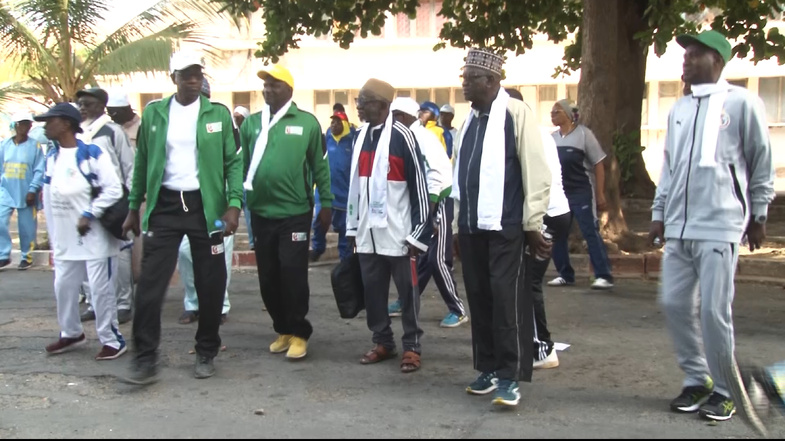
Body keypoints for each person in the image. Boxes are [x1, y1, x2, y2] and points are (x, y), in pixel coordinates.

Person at [649, 30, 775, 422]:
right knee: (673, 303)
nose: (685, 61)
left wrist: (759, 214)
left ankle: (726, 390)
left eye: (696, 55)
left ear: (718, 62)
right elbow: (669, 167)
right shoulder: (680, 108)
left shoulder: (742, 104)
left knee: (713, 313)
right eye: (685, 55)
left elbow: (760, 161)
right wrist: (658, 213)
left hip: (721, 225)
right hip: (680, 227)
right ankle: (697, 378)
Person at [120, 50, 243, 384]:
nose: (193, 80)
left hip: (207, 209)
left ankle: (206, 351)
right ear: (172, 77)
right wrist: (134, 208)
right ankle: (145, 358)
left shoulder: (218, 114)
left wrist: (233, 204)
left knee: (211, 284)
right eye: (186, 74)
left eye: (197, 74)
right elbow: (143, 163)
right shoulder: (156, 113)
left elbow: (232, 163)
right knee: (149, 285)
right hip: (166, 208)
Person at [454, 48, 551, 407]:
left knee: (506, 299)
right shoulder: (469, 121)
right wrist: (455, 226)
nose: (464, 84)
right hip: (471, 226)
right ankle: (488, 368)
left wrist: (532, 222)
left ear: (492, 81)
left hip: (505, 224)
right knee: (478, 297)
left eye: (470, 78)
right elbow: (459, 175)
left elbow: (536, 170)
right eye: (463, 77)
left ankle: (510, 376)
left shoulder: (515, 113)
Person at [241, 64, 333, 361]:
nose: (268, 89)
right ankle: (283, 329)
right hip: (260, 213)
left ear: (289, 90)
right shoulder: (251, 124)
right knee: (268, 277)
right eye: (265, 85)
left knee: (292, 273)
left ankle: (300, 333)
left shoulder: (307, 123)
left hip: (295, 212)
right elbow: (240, 167)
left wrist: (327, 203)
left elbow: (320, 166)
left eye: (275, 85)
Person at [346, 79, 432, 374]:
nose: (358, 106)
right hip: (368, 233)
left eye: (364, 101)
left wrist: (419, 232)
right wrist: (353, 228)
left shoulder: (402, 136)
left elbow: (419, 185)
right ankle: (383, 341)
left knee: (407, 294)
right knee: (373, 292)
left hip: (399, 233)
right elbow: (355, 187)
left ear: (382, 105)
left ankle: (412, 347)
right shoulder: (360, 136)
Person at [39, 102, 127, 360]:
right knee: (63, 287)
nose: (45, 125)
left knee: (101, 290)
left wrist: (90, 212)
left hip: (95, 238)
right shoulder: (52, 157)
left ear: (66, 124)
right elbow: (48, 197)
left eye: (50, 120)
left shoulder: (92, 153)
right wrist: (54, 237)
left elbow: (114, 189)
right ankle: (71, 333)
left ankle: (112, 339)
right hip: (66, 241)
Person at [387, 97, 467, 328]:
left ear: (403, 117)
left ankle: (458, 309)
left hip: (439, 201)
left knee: (437, 258)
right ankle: (406, 300)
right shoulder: (406, 137)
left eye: (393, 117)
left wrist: (428, 215)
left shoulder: (421, 139)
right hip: (423, 204)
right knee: (420, 257)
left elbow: (435, 177)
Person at [506, 88, 570, 369]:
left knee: (527, 283)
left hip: (546, 216)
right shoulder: (534, 131)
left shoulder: (527, 133)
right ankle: (529, 341)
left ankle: (543, 348)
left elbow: (537, 183)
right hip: (548, 214)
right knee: (523, 281)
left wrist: (532, 224)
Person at [177, 79, 236, 325]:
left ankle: (219, 305)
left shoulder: (222, 119)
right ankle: (193, 303)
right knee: (184, 251)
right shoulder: (176, 122)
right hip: (184, 202)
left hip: (215, 201)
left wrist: (233, 201)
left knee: (219, 253)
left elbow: (234, 162)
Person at [75, 88, 136, 325]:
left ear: (101, 106)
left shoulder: (113, 132)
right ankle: (94, 302)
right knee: (86, 253)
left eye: (88, 104)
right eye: (80, 104)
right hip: (84, 202)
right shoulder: (78, 133)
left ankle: (123, 303)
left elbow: (128, 167)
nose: (83, 108)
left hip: (113, 201)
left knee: (120, 252)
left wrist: (130, 202)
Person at [546, 99, 614, 290]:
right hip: (560, 193)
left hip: (581, 191)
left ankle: (603, 275)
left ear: (568, 114)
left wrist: (599, 193)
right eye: (551, 112)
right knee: (557, 233)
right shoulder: (553, 138)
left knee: (589, 231)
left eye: (556, 111)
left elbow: (598, 164)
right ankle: (565, 274)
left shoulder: (584, 134)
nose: (552, 114)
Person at [309, 110, 356, 262]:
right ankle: (318, 248)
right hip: (324, 191)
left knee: (343, 227)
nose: (334, 125)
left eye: (338, 122)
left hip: (344, 193)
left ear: (345, 124)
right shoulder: (325, 139)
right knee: (319, 223)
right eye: (332, 122)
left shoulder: (353, 140)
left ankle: (345, 258)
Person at [0, 113, 44, 270]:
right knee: (0, 220)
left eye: (28, 124)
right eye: (22, 124)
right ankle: (3, 255)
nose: (25, 127)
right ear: (15, 126)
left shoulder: (35, 146)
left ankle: (27, 256)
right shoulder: (4, 145)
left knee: (26, 227)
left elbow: (40, 169)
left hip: (26, 192)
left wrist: (33, 189)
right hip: (6, 190)